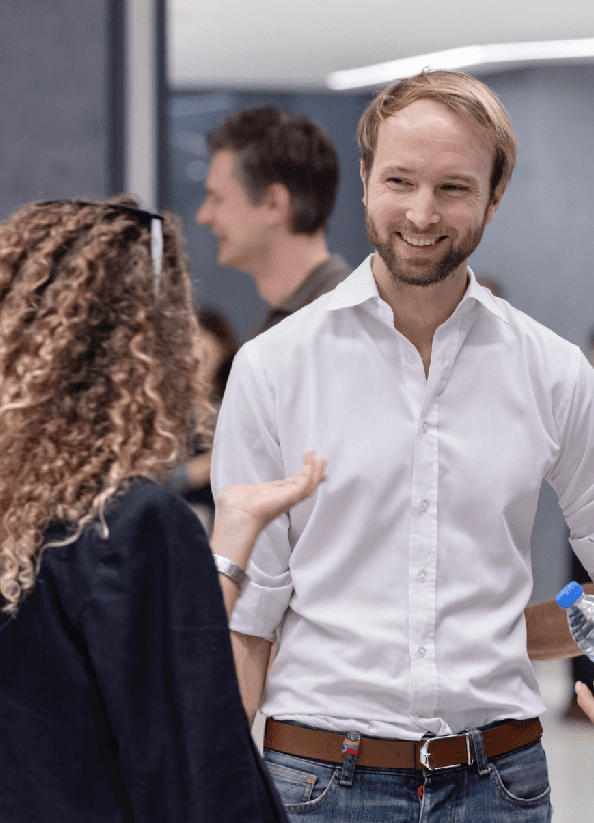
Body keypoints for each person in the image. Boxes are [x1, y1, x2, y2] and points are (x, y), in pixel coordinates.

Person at [211, 71, 594, 821]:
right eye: (399, 180)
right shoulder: (275, 366)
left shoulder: (552, 371)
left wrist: (530, 632)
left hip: (502, 783)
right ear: (364, 180)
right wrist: (214, 788)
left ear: (496, 191)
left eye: (453, 187)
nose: (421, 214)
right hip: (318, 783)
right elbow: (251, 620)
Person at [0, 195, 326, 823]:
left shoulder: (28, 524)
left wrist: (230, 534)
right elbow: (195, 765)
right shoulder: (132, 525)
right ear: (146, 343)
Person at [196, 106, 351, 335]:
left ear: (274, 204)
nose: (203, 216)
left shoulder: (342, 327)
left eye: (217, 199)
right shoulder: (297, 319)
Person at [166, 306, 240, 535]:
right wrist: (193, 472)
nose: (195, 351)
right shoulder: (164, 410)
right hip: (175, 525)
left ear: (223, 347)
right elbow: (144, 484)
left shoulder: (238, 405)